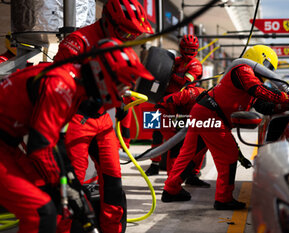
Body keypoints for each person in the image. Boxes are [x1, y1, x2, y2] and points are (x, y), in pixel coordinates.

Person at [0, 38, 153, 233]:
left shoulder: (77, 88)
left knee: (56, 201)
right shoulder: (62, 85)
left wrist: (72, 185)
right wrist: (67, 188)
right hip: (4, 144)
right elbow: (40, 147)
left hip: (9, 143)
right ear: (102, 76)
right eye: (119, 85)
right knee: (41, 212)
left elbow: (58, 143)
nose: (121, 92)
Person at [161, 45, 289, 210]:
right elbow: (258, 90)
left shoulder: (249, 82)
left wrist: (286, 104)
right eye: (268, 67)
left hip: (204, 112)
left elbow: (264, 107)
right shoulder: (242, 69)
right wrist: (286, 97)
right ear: (261, 59)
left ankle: (170, 190)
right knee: (228, 156)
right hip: (211, 114)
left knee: (190, 155)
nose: (268, 72)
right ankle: (223, 199)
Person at [53, 0, 153, 232]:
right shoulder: (77, 43)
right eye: (125, 31)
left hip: (103, 121)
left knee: (113, 185)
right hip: (76, 120)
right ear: (107, 22)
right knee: (70, 190)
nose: (129, 37)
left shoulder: (119, 43)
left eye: (133, 34)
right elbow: (60, 84)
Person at [145, 34, 203, 177]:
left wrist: (169, 74)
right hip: (162, 101)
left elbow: (185, 81)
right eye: (187, 49)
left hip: (180, 105)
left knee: (176, 139)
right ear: (181, 48)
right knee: (156, 134)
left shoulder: (196, 65)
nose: (189, 53)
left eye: (192, 50)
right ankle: (154, 165)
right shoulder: (175, 61)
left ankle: (182, 173)